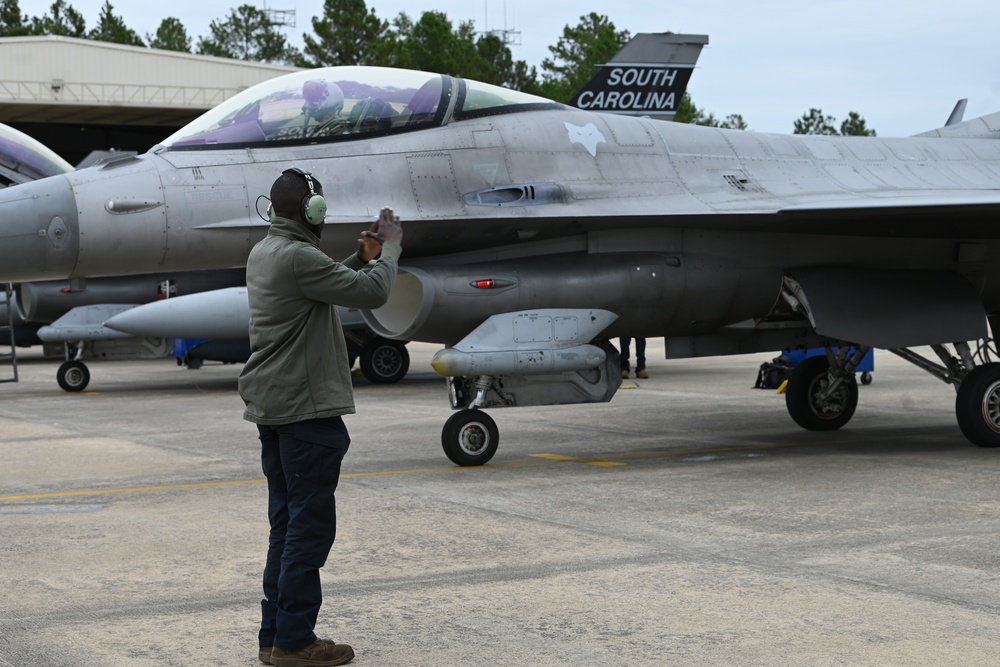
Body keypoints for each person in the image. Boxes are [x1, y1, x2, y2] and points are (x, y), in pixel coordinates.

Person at [239, 167, 403, 667]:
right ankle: (294, 642)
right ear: (313, 212)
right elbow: (372, 293)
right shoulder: (297, 256)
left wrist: (361, 258)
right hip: (306, 412)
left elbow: (328, 281)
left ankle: (275, 636)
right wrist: (391, 249)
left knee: (286, 526)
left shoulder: (267, 251)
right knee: (308, 529)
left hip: (276, 409)